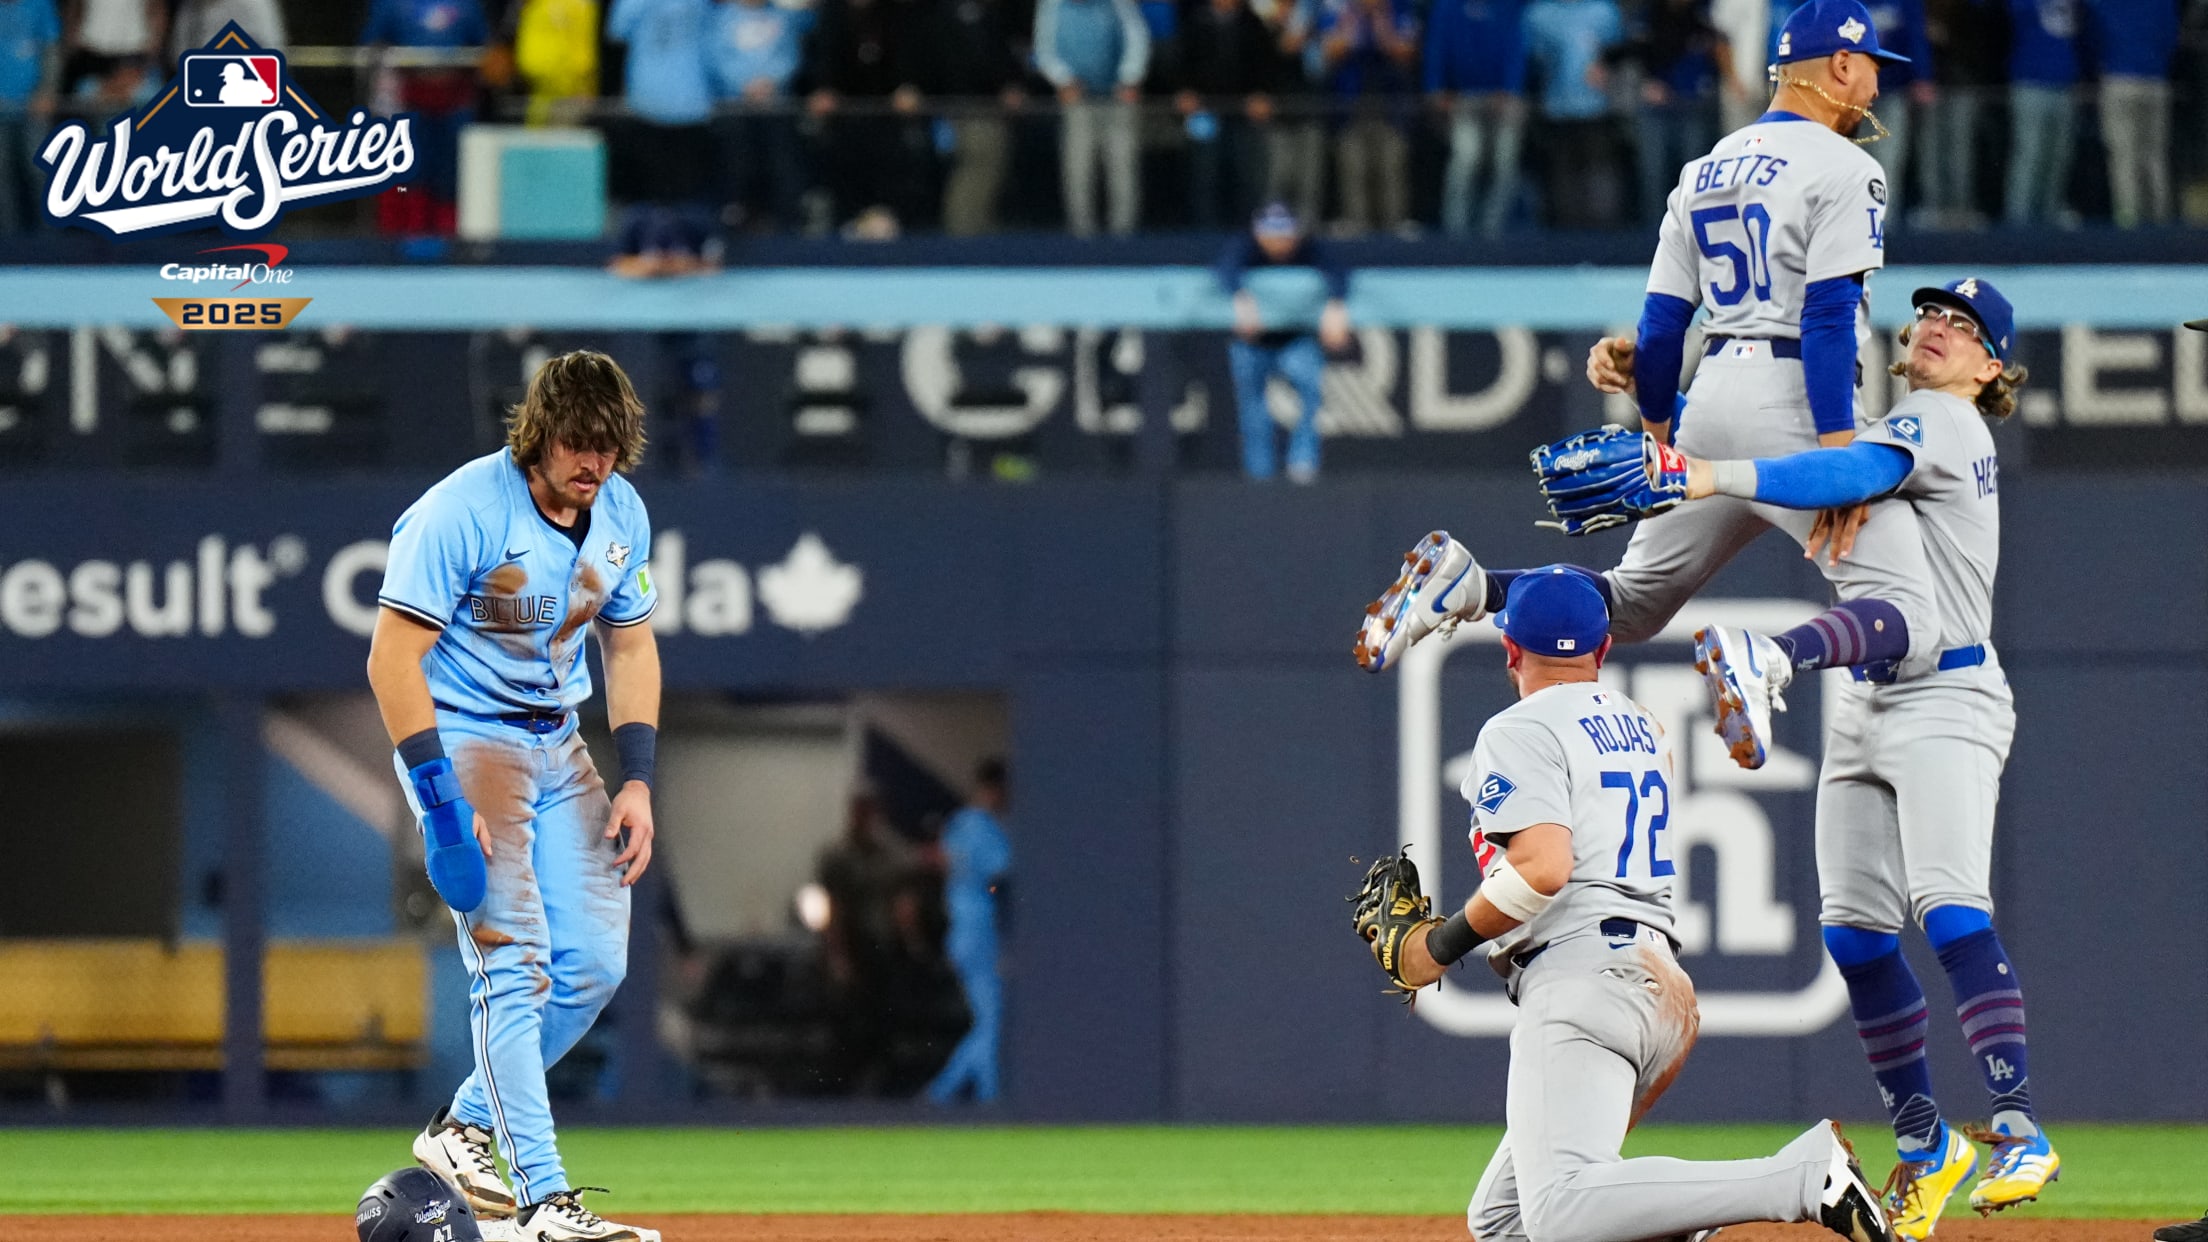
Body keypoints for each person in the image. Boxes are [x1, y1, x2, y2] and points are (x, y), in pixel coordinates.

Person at [1599, 278, 2062, 1236]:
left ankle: (2020, 1124)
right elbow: (1787, 449)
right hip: (1869, 695)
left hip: (1948, 690)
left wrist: (1705, 471)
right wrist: (1659, 391)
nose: (1940, 328)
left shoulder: (1944, 420)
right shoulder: (1878, 425)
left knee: (1950, 907)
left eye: (1966, 328)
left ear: (1993, 370)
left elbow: (1826, 476)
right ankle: (1926, 1142)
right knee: (1854, 935)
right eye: (1933, 313)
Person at [1356, 0, 1939, 704]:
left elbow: (1660, 330)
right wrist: (1842, 460)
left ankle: (1470, 584)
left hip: (1716, 385)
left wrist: (1665, 445)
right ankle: (1769, 661)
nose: (1877, 88)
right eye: (1874, 68)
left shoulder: (1703, 169)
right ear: (1842, 63)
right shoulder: (1846, 168)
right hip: (1800, 402)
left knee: (1628, 606)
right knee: (1913, 611)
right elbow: (1825, 320)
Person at [1351, 568, 1895, 1242]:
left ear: (1510, 650)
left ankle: (1802, 1178)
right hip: (1660, 993)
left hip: (1583, 982)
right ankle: (1676, 1222)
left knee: (1559, 1213)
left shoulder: (1517, 730)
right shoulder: (1640, 725)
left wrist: (1434, 950)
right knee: (1503, 1221)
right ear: (1602, 653)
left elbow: (1543, 870)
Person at [368, 351, 662, 1242]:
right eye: (578, 443)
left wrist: (640, 777)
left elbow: (633, 648)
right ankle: (545, 1203)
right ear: (539, 433)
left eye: (609, 447)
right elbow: (390, 662)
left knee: (595, 966)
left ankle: (463, 1128)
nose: (594, 464)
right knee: (515, 962)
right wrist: (440, 804)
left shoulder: (620, 513)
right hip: (465, 740)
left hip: (557, 738)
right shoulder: (460, 511)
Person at [1216, 202, 1350, 481]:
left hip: (1295, 337)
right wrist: (1242, 299)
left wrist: (1335, 306)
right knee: (1253, 410)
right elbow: (1226, 270)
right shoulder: (1246, 248)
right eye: (1271, 235)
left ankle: (1302, 465)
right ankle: (1259, 475)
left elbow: (1339, 274)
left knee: (1311, 394)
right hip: (1254, 342)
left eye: (1284, 235)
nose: (1278, 242)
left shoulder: (1308, 248)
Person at [362, 0, 491, 236]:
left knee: (451, 179)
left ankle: (451, 240)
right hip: (409, 104)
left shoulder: (468, 5)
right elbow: (374, 46)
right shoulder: (390, 5)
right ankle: (405, 239)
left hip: (454, 104)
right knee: (408, 178)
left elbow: (484, 49)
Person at [926, 759, 1013, 1104]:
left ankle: (941, 1095)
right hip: (981, 932)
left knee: (991, 1020)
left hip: (961, 930)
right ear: (996, 788)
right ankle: (984, 1097)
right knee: (995, 1021)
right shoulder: (986, 829)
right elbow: (1004, 876)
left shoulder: (958, 825)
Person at [1036, 0, 1151, 236]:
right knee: (1078, 165)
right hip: (1077, 99)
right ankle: (1081, 232)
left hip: (1117, 98)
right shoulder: (1053, 5)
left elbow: (1136, 36)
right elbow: (1044, 49)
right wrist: (1064, 79)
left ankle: (1124, 232)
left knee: (1122, 163)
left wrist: (1130, 77)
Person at [1309, 0, 1419, 232]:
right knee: (1353, 168)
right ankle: (1357, 226)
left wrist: (1382, 26)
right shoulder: (1339, 10)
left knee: (1391, 167)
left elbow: (1405, 53)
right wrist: (1351, 27)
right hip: (1350, 106)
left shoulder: (1399, 10)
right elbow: (1329, 53)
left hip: (1390, 106)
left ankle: (1394, 226)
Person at [1424, 0, 1528, 237]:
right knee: (1466, 160)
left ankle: (1492, 230)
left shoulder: (1508, 6)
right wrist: (1436, 87)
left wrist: (1511, 89)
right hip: (1463, 98)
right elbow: (1436, 46)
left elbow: (1517, 44)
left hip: (1503, 98)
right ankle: (1456, 231)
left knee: (1505, 164)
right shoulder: (1447, 7)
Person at [1177, 0, 1284, 229]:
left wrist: (1262, 93)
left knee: (1247, 174)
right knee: (1205, 175)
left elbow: (1267, 63)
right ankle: (1204, 232)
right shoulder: (1195, 21)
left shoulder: (1252, 22)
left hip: (1244, 112)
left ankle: (1248, 232)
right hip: (1204, 111)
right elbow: (1182, 60)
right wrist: (1186, 91)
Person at [1520, 0, 1626, 227]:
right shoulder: (1538, 14)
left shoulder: (1603, 11)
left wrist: (1607, 68)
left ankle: (1604, 232)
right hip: (1556, 107)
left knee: (1599, 171)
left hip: (1596, 107)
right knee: (1561, 174)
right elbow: (1528, 60)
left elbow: (1619, 53)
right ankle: (1567, 235)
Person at [708, 0, 808, 232]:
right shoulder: (722, 19)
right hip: (735, 108)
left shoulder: (782, 17)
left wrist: (772, 82)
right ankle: (737, 219)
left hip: (776, 107)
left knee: (782, 165)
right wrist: (744, 84)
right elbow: (716, 58)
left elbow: (791, 56)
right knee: (738, 165)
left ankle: (787, 224)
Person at [2090, 0, 2179, 228]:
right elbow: (2170, 37)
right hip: (2155, 80)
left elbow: (2093, 36)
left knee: (2124, 156)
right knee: (2154, 155)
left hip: (2119, 79)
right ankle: (2159, 219)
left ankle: (2128, 222)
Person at [2001, 0, 2078, 225]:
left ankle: (2049, 217)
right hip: (2030, 81)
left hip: (2064, 82)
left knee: (2058, 155)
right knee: (2030, 154)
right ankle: (2019, 220)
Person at [0, 0, 58, 237]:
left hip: (33, 105)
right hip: (2, 106)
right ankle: (9, 242)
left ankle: (51, 241)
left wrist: (47, 90)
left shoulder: (40, 5)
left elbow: (52, 49)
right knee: (2, 176)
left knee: (39, 171)